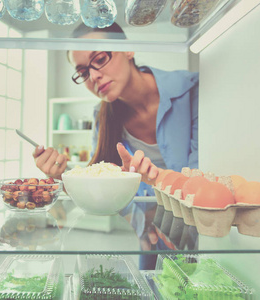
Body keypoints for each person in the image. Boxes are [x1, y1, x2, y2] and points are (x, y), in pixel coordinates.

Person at [33, 22, 199, 268]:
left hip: (203, 232)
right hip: (149, 237)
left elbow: (206, 181)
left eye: (99, 59)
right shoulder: (103, 119)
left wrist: (157, 179)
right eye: (83, 72)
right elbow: (101, 193)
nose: (94, 76)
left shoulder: (193, 91)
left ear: (128, 50)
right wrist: (59, 177)